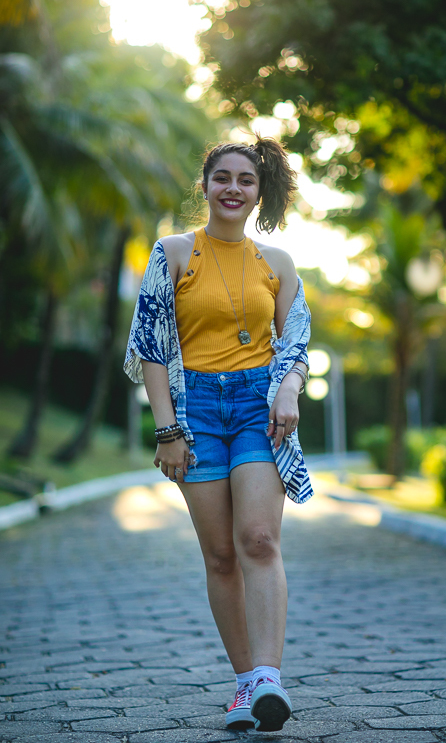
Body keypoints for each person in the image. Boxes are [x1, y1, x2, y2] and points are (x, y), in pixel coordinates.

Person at [124, 137, 312, 732]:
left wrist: (288, 387)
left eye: (246, 180)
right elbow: (152, 347)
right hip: (195, 409)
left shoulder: (276, 263)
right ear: (204, 186)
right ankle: (245, 683)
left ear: (259, 192)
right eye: (222, 177)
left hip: (260, 406)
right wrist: (167, 429)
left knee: (257, 538)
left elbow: (297, 343)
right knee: (221, 553)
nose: (234, 188)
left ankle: (269, 680)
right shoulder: (173, 253)